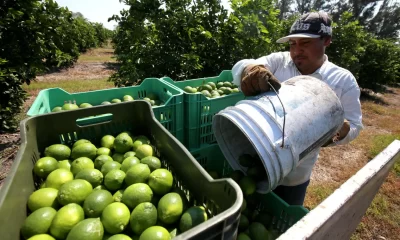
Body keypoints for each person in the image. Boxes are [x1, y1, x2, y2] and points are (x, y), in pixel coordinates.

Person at [231, 11, 363, 206]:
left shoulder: (342, 80)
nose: (296, 51)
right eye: (293, 44)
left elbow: (355, 125)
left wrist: (338, 132)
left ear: (326, 41)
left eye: (305, 43)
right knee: (250, 208)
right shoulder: (280, 62)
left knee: (285, 222)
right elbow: (242, 65)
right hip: (256, 157)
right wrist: (250, 71)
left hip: (296, 173)